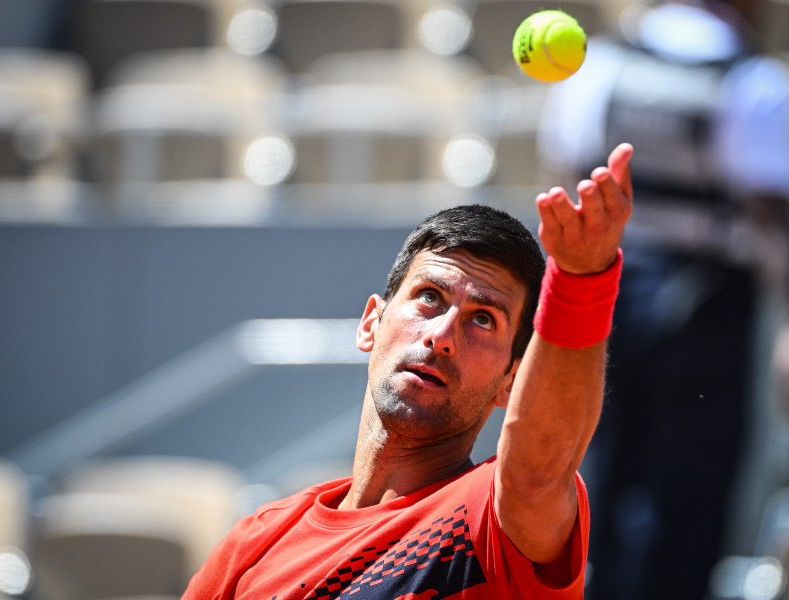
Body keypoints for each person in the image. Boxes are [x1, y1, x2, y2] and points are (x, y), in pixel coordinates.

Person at [181, 143, 635, 599]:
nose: (441, 335)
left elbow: (538, 471)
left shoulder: (493, 520)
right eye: (430, 296)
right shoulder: (256, 542)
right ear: (370, 324)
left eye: (483, 319)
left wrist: (582, 278)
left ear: (510, 382)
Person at [538, 2, 789, 600]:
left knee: (604, 473)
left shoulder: (602, 64)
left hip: (605, 298)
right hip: (710, 311)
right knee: (691, 496)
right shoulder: (753, 80)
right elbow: (771, 216)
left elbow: (567, 177)